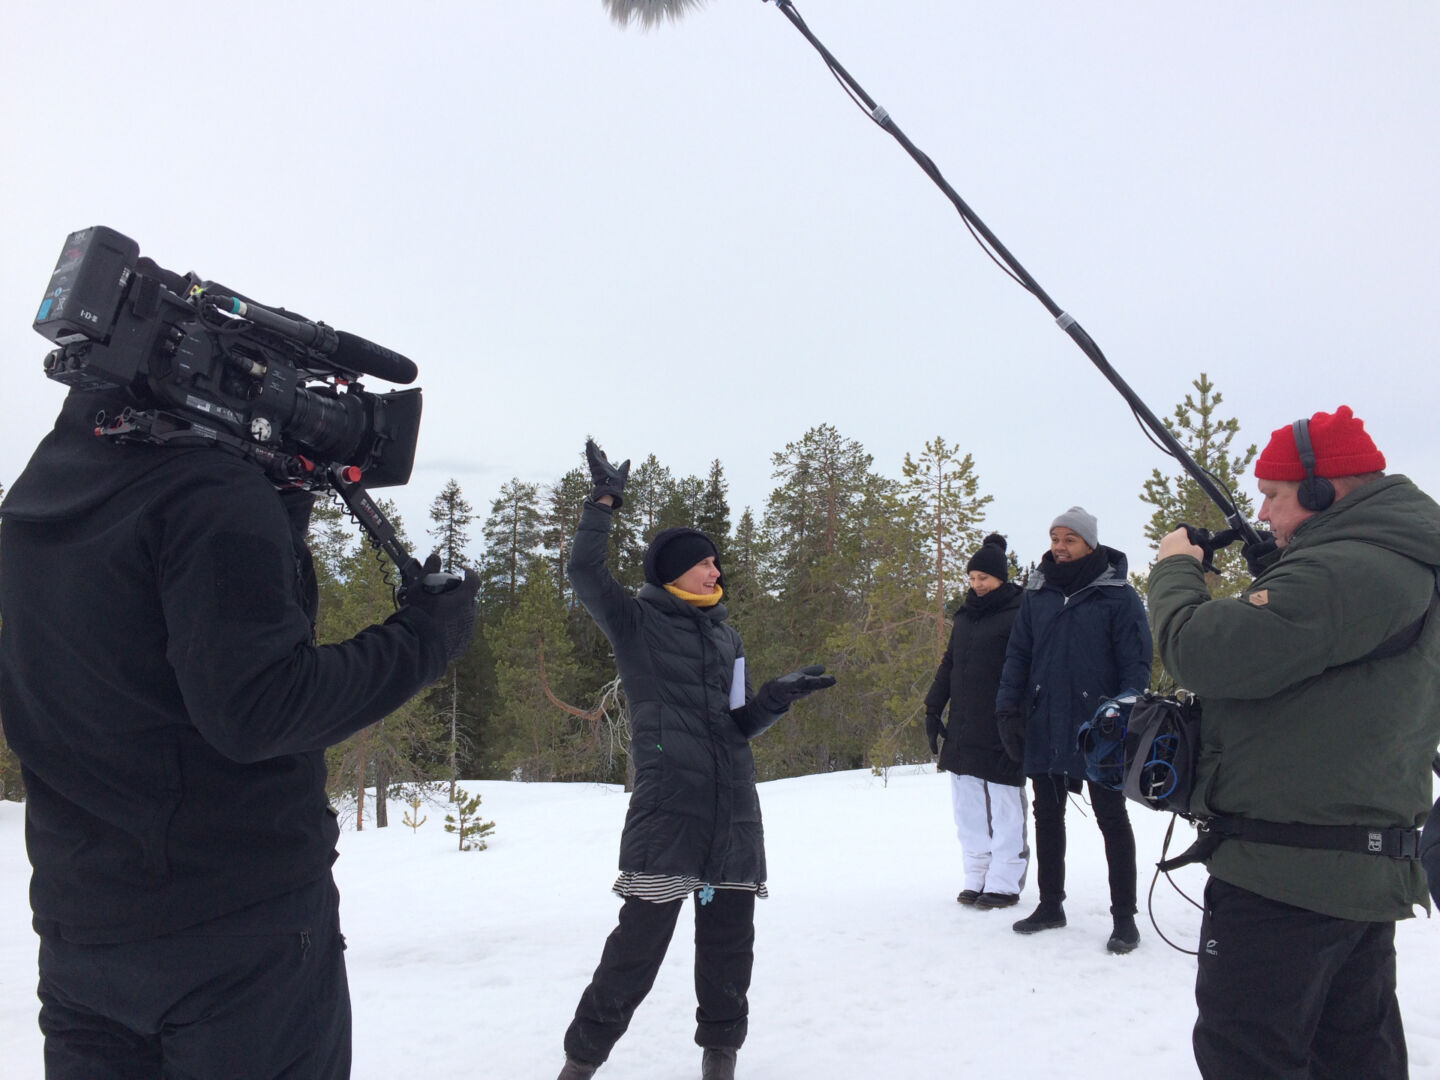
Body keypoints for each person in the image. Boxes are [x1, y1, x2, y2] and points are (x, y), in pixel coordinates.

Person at [0, 388, 479, 1078]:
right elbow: (261, 707)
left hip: (84, 930)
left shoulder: (51, 488)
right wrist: (424, 641)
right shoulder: (211, 492)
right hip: (236, 936)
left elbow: (161, 645)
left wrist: (276, 501)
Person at [1148, 405, 1440, 1080]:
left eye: (1276, 496)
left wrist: (1174, 570)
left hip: (1286, 880)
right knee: (1352, 1056)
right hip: (1350, 872)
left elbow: (1201, 651)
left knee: (1251, 1058)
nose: (1265, 511)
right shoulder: (1397, 563)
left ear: (1322, 492)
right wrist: (1285, 571)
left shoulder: (1346, 573)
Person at [557, 439, 834, 1080]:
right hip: (669, 806)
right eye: (704, 565)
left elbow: (738, 726)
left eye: (715, 564)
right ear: (672, 573)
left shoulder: (727, 635)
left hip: (733, 808)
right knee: (636, 948)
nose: (715, 572)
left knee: (729, 949)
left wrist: (773, 699)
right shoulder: (635, 621)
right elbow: (582, 572)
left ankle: (720, 1061)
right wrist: (603, 502)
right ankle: (580, 1064)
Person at [994, 506, 1152, 953]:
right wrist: (1008, 708)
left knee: (1111, 817)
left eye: (1069, 540)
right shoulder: (1037, 593)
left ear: (1089, 544)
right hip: (1045, 717)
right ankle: (1050, 904)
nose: (1059, 547)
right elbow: (1017, 656)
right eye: (1054, 537)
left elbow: (1136, 665)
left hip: (1099, 725)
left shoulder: (1118, 595)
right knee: (1047, 812)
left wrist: (1121, 712)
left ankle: (1125, 919)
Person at [923, 533, 1028, 909]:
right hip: (964, 724)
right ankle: (976, 875)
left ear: (1000, 578)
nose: (976, 585)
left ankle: (1004, 880)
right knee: (967, 805)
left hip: (1001, 724)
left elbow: (1027, 670)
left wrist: (1020, 717)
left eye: (983, 578)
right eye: (971, 578)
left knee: (1004, 803)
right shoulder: (965, 615)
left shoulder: (1019, 612)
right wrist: (933, 708)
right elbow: (949, 663)